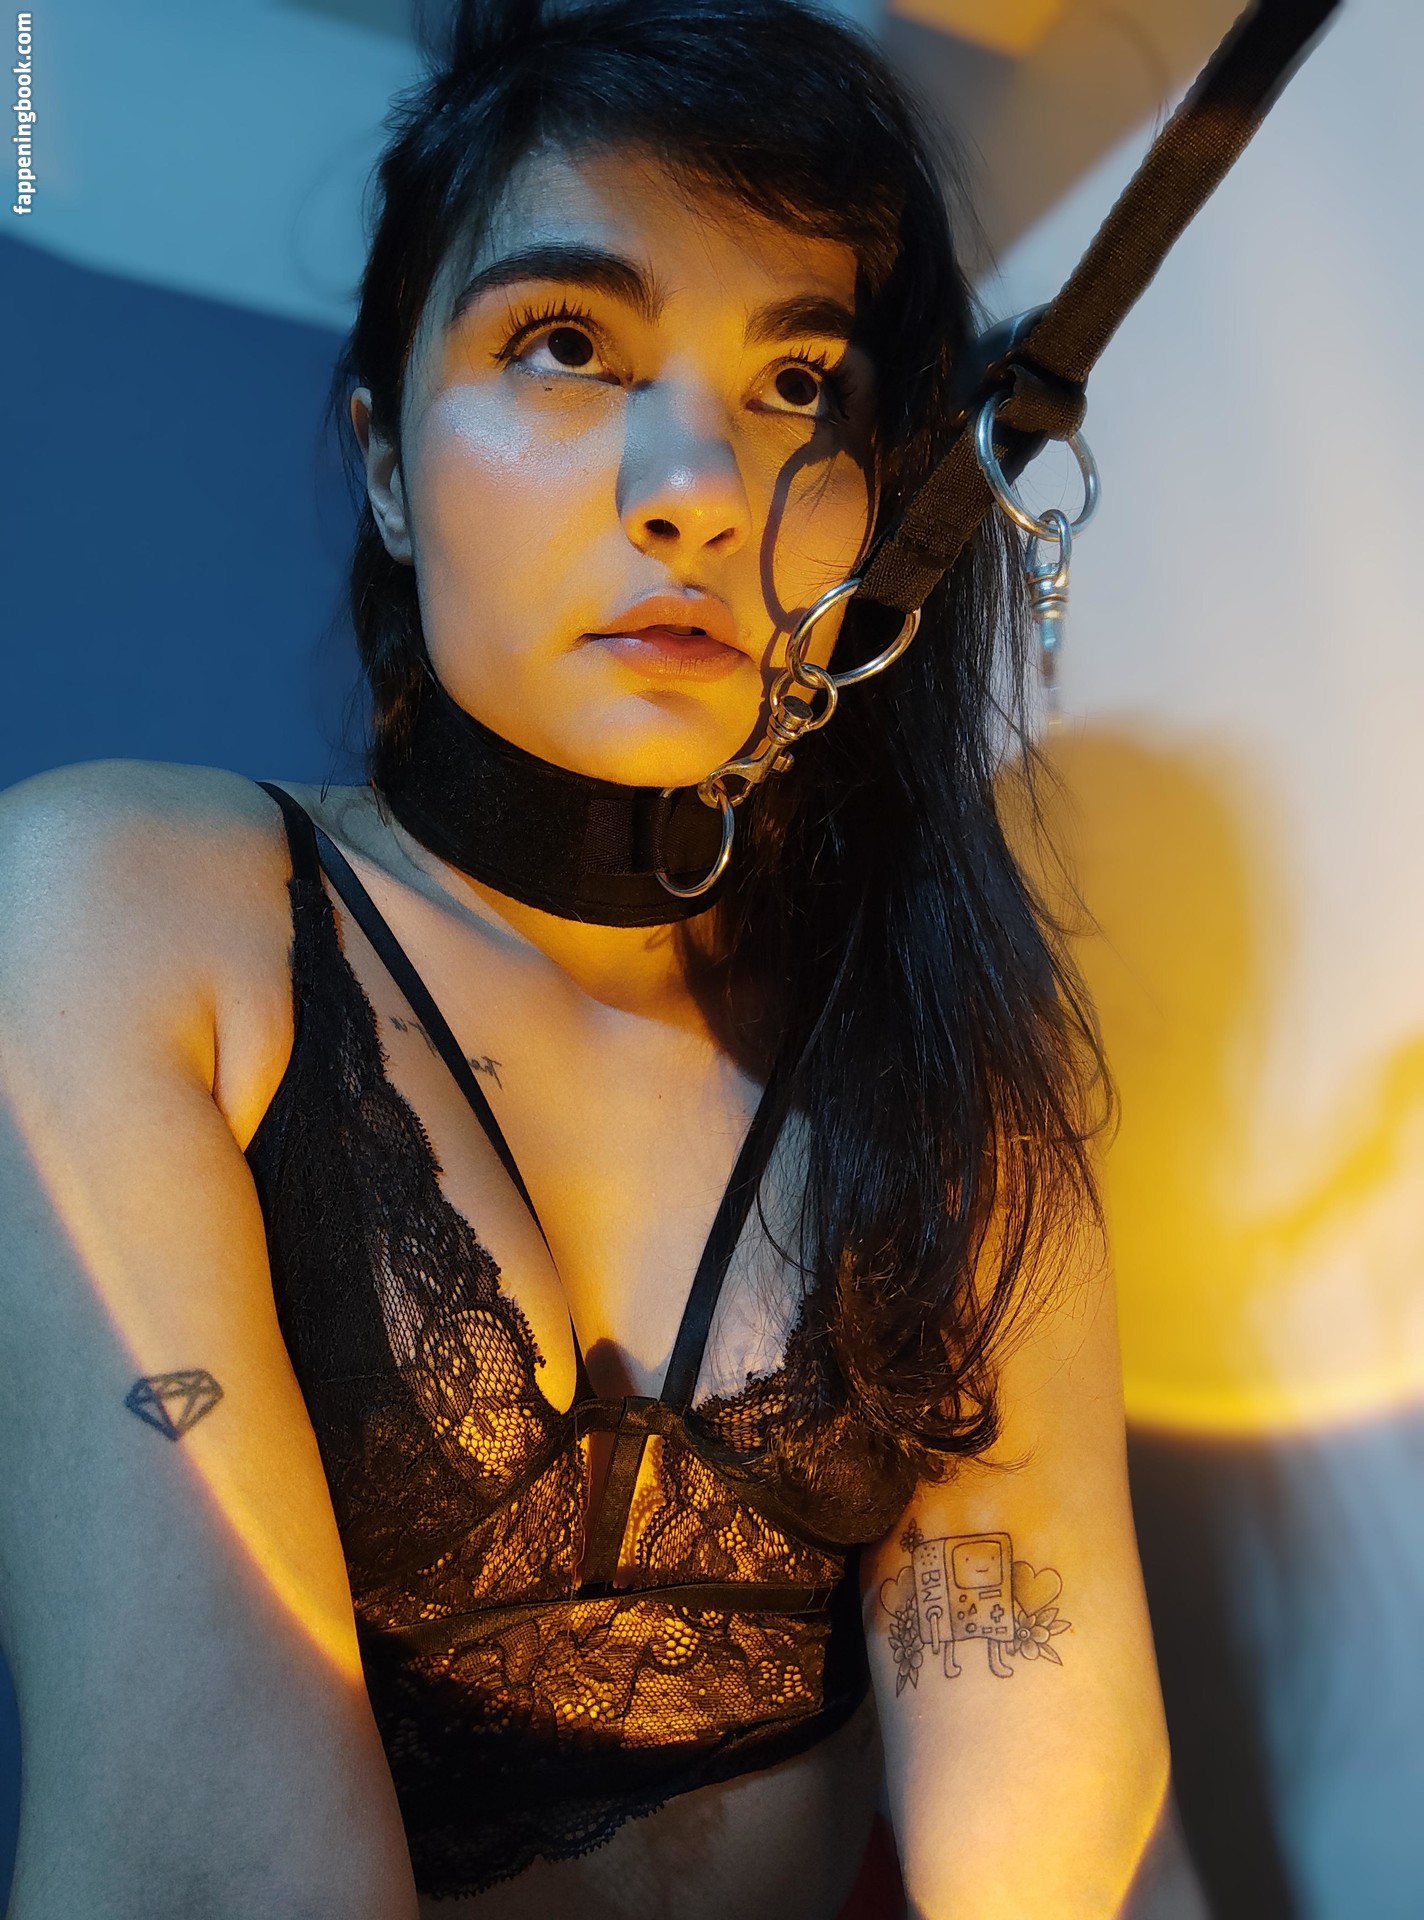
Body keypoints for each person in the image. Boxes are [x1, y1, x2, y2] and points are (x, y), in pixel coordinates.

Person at [0, 3, 1197, 1915]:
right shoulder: (123, 912)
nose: (696, 485)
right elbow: (211, 1866)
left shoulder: (941, 1029)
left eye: (799, 381)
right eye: (564, 342)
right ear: (386, 469)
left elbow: (1063, 1813)